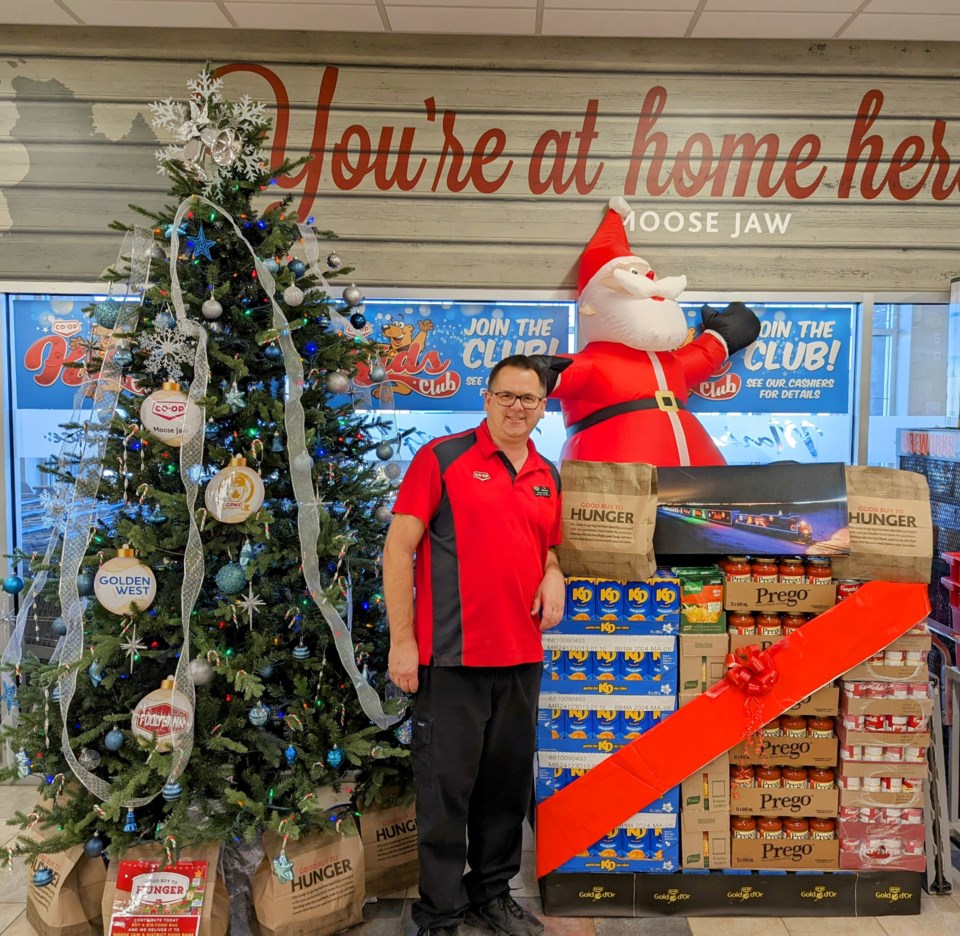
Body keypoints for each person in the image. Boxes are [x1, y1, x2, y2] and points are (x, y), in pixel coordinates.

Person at [384, 354, 565, 936]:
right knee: (445, 793)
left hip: (521, 658)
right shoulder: (442, 459)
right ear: (486, 398)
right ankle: (439, 913)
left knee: (505, 791)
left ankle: (491, 894)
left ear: (543, 406)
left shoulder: (545, 473)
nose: (518, 408)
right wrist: (403, 642)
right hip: (452, 656)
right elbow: (397, 551)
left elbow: (545, 545)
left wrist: (554, 571)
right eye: (507, 396)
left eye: (529, 399)